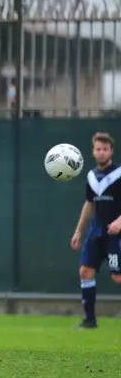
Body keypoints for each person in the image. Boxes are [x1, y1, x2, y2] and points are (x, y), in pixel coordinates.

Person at [70, 132, 121, 329]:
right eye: (98, 149)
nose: (101, 153)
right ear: (93, 151)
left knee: (117, 277)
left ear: (111, 151)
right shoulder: (91, 176)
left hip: (115, 234)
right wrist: (78, 231)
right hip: (96, 232)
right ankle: (90, 320)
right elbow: (89, 204)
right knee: (85, 272)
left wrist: (119, 222)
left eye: (105, 149)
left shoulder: (119, 173)